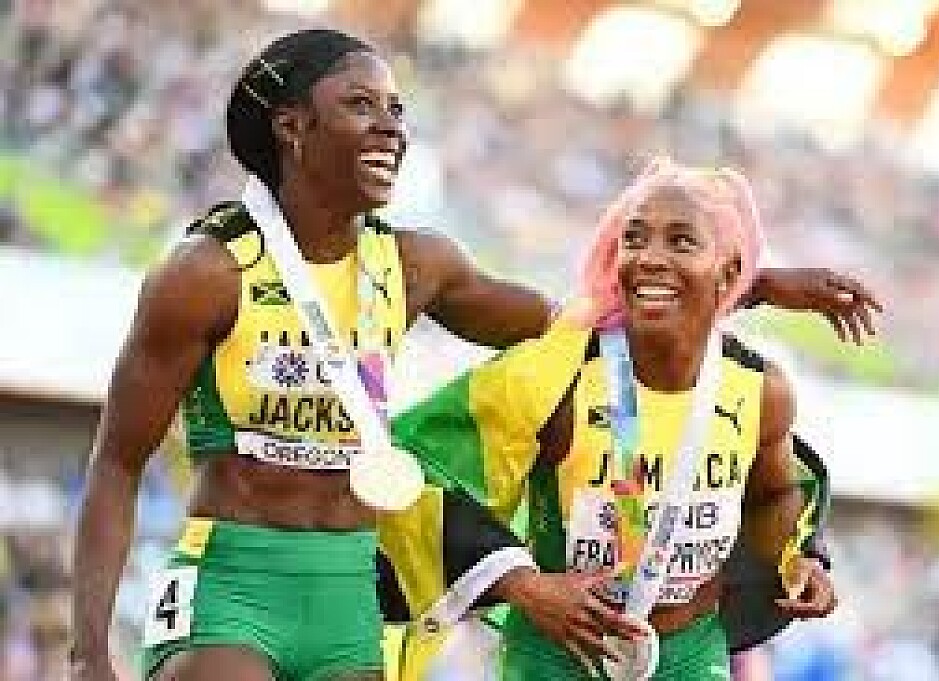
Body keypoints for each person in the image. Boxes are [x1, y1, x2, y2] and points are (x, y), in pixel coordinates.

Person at [71, 29, 875, 681]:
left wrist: (743, 285)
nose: (391, 127)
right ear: (292, 127)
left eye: (396, 109)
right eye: (361, 105)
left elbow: (586, 318)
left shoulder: (418, 265)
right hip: (234, 578)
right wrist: (86, 652)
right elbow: (115, 461)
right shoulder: (205, 274)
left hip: (349, 590)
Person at [398, 159, 831, 679]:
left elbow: (776, 494)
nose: (650, 258)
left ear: (730, 272)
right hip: (558, 653)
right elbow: (416, 467)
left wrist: (798, 559)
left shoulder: (761, 390)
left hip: (689, 654)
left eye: (680, 241)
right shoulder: (557, 373)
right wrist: (524, 585)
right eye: (634, 239)